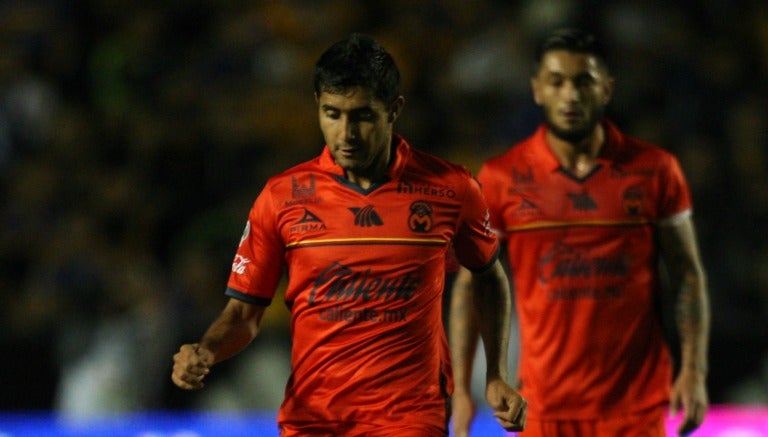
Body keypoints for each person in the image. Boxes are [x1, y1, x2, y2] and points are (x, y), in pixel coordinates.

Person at [171, 33, 527, 436]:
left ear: (394, 110)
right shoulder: (281, 197)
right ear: (317, 108)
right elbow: (243, 315)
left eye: (362, 115)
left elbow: (488, 274)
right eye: (333, 114)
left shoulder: (451, 188)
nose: (346, 134)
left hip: (409, 416)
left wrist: (496, 373)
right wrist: (206, 350)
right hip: (314, 419)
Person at [449, 28, 710, 437]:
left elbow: (687, 275)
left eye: (583, 81)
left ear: (606, 89)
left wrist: (693, 371)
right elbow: (471, 285)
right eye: (556, 82)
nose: (570, 94)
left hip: (634, 409)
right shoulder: (503, 177)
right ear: (537, 90)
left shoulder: (655, 170)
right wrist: (463, 388)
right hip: (544, 407)